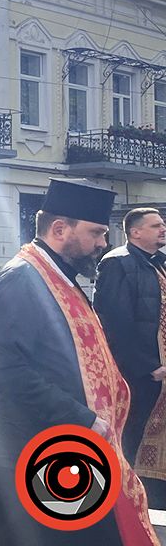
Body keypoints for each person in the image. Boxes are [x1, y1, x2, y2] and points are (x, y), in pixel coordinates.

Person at [0, 179, 165, 546]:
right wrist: (81, 416)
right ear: (59, 229)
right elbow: (4, 371)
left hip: (69, 440)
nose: (103, 242)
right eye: (96, 232)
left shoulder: (59, 276)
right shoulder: (21, 279)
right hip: (38, 444)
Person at [95, 208, 166, 486]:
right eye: (156, 225)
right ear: (135, 232)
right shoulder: (117, 263)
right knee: (133, 440)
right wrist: (147, 367)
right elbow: (114, 323)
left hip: (161, 375)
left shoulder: (159, 262)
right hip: (142, 376)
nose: (163, 229)